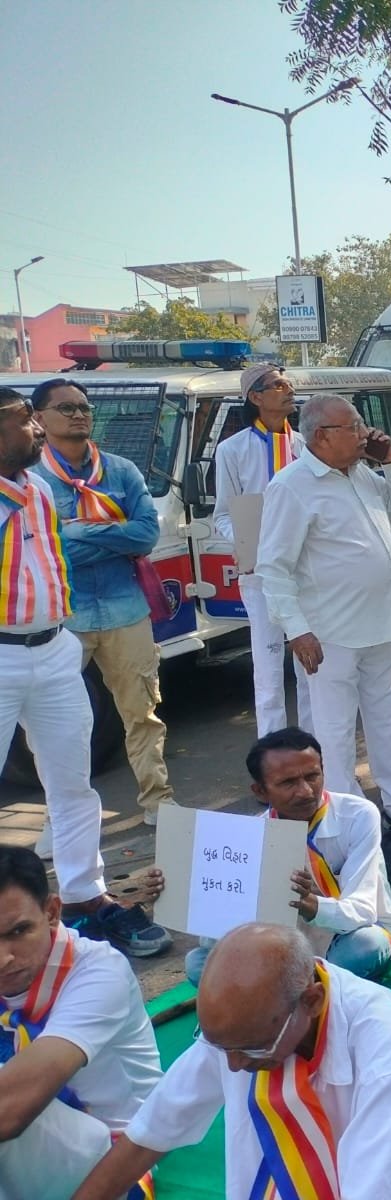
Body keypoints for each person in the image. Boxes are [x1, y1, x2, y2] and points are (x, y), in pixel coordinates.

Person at [70, 924, 391, 1200]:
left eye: (249, 1049)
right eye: (220, 1048)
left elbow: (379, 1185)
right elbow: (152, 1130)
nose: (233, 1066)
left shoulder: (382, 1041)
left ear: (312, 1002)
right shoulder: (241, 1031)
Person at [0, 388, 170, 956]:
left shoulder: (36, 488)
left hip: (53, 647)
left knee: (73, 783)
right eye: (24, 420)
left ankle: (83, 897)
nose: (37, 429)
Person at [255, 393, 391, 818]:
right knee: (335, 732)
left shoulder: (362, 473)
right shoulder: (291, 486)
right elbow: (273, 567)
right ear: (321, 437)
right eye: (353, 426)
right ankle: (346, 817)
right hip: (330, 633)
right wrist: (297, 630)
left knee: (386, 721)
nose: (364, 433)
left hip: (381, 623)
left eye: (360, 423)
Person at [30, 378, 175, 827]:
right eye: (66, 408)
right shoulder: (31, 480)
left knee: (142, 712)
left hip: (125, 609)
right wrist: (112, 537)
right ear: (39, 418)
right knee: (59, 723)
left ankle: (159, 802)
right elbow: (45, 551)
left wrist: (78, 530)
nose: (78, 414)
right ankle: (62, 819)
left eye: (84, 407)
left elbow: (146, 535)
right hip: (63, 616)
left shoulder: (121, 471)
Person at [183, 728, 391, 986]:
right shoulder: (247, 839)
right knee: (199, 963)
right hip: (285, 947)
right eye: (288, 783)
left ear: (323, 771)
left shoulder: (358, 816)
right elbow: (220, 933)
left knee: (367, 945)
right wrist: (178, 893)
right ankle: (307, 986)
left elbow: (364, 909)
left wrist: (312, 905)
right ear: (260, 791)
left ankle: (280, 991)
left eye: (312, 776)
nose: (305, 791)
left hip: (348, 936)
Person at [0, 847, 161, 1200]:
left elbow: (9, 1109)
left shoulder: (100, 971)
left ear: (52, 912)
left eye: (18, 931)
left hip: (115, 1158)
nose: (3, 959)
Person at [212, 362, 312, 735]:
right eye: (278, 385)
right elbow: (224, 514)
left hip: (306, 572)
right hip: (260, 575)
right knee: (268, 672)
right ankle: (272, 750)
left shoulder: (306, 446)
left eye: (289, 384)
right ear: (255, 397)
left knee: (311, 666)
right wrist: (244, 545)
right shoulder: (232, 449)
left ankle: (315, 748)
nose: (289, 390)